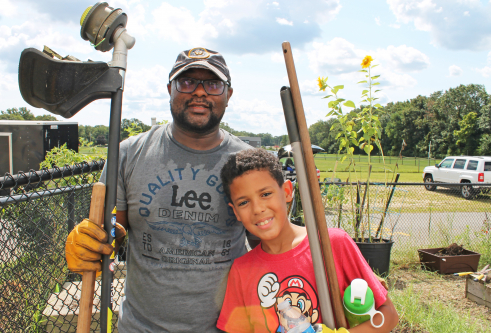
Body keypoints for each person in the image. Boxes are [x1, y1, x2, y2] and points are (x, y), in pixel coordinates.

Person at [65, 47, 252, 332]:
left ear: (229, 94)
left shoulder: (249, 164)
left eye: (213, 84)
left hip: (229, 327)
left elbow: (271, 243)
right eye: (187, 82)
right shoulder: (128, 154)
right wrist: (94, 241)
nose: (200, 92)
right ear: (169, 89)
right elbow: (113, 228)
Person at [217, 149, 398, 333]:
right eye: (243, 203)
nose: (257, 209)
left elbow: (389, 315)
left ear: (287, 191)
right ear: (236, 212)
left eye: (265, 194)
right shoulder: (241, 270)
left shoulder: (332, 244)